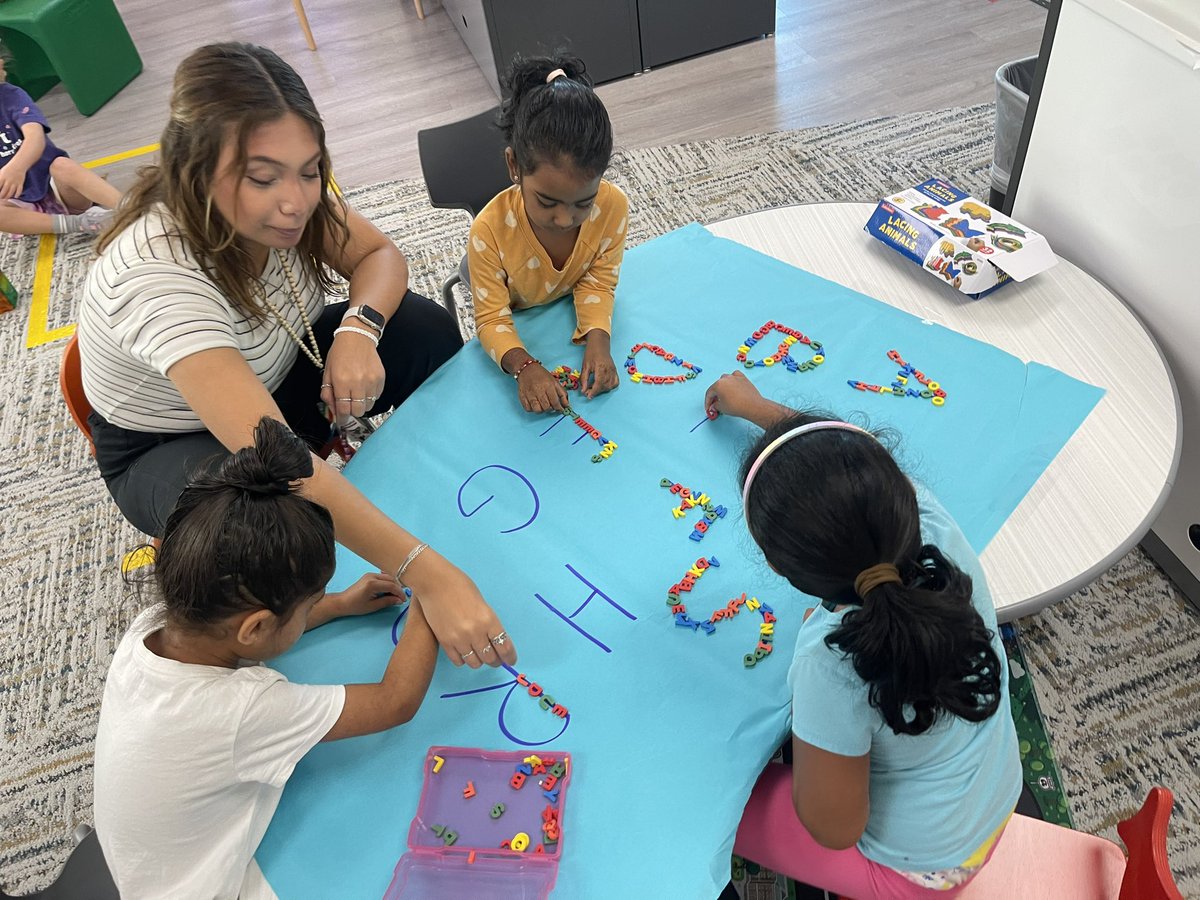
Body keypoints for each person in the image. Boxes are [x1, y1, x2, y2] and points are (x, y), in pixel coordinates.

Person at [77, 43, 514, 667]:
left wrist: (357, 331)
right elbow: (281, 461)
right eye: (262, 178)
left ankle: (415, 483)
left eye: (309, 170)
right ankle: (327, 605)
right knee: (257, 530)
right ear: (195, 170)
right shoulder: (157, 276)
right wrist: (430, 572)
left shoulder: (291, 202)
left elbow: (380, 256)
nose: (296, 201)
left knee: (423, 328)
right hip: (170, 442)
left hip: (277, 368)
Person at [94, 418, 438, 899]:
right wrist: (432, 592)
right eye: (307, 604)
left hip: (139, 862)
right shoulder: (241, 711)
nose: (314, 607)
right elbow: (394, 702)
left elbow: (248, 633)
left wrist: (337, 605)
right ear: (255, 626)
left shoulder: (154, 624)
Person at [705, 371, 1021, 897]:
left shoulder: (829, 663)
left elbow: (833, 828)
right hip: (996, 789)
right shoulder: (926, 515)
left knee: (718, 795)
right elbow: (855, 458)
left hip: (923, 871)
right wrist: (761, 409)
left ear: (778, 567)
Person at [467, 54, 628, 414]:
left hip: (561, 323)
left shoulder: (612, 206)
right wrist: (524, 366)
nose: (564, 219)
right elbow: (491, 318)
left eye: (583, 203)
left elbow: (598, 280)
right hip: (520, 329)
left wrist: (599, 341)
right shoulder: (488, 232)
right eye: (547, 201)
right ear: (514, 166)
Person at [0, 51, 122, 235]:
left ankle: (131, 208)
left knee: (62, 165)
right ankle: (80, 224)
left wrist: (17, 168)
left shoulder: (12, 96)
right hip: (22, 207)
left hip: (58, 190)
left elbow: (35, 137)